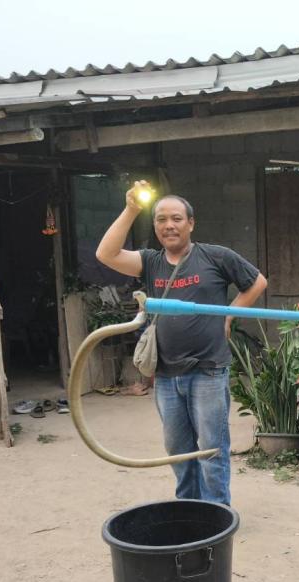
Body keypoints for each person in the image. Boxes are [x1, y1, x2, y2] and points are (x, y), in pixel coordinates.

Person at [96, 180, 267, 504]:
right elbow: (106, 254)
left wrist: (228, 317)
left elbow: (257, 282)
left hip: (208, 371)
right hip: (165, 375)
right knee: (178, 451)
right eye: (161, 219)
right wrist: (131, 209)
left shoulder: (215, 256)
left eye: (176, 218)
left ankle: (216, 514)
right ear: (155, 226)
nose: (169, 225)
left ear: (191, 223)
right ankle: (189, 509)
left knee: (211, 449)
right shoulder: (150, 262)